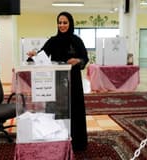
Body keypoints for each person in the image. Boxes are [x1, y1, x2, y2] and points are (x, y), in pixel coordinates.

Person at [27, 11, 89, 151]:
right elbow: (42, 55)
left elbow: (85, 58)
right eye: (59, 22)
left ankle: (77, 143)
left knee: (74, 110)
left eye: (65, 22)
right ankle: (58, 140)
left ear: (70, 24)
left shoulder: (76, 40)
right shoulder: (53, 41)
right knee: (58, 111)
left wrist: (78, 60)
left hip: (73, 82)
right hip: (57, 82)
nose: (62, 25)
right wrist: (33, 55)